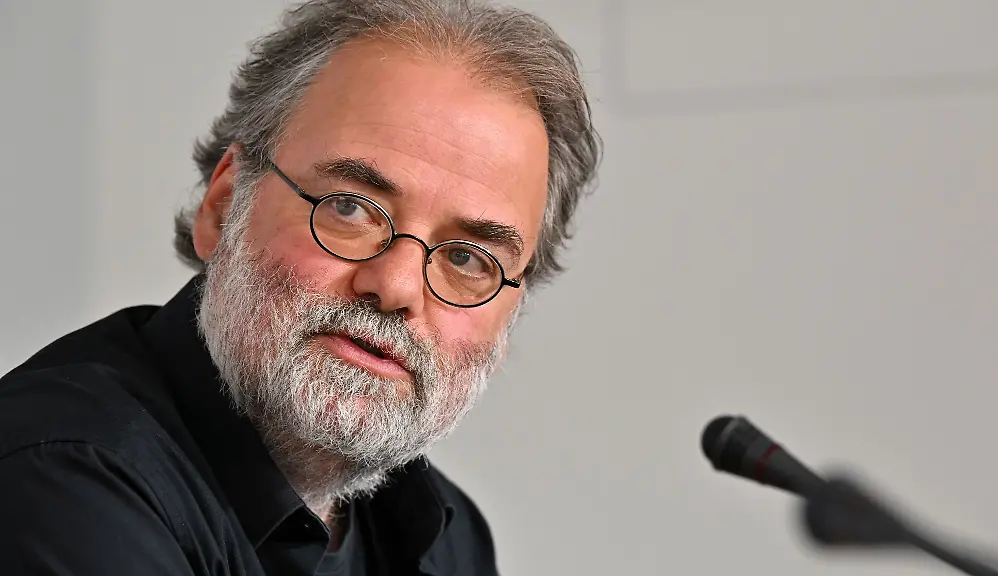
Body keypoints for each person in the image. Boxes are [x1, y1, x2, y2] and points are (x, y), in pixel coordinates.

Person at [0, 0, 600, 575]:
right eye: (349, 207)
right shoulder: (64, 474)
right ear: (224, 205)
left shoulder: (445, 530)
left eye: (467, 258)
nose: (396, 286)